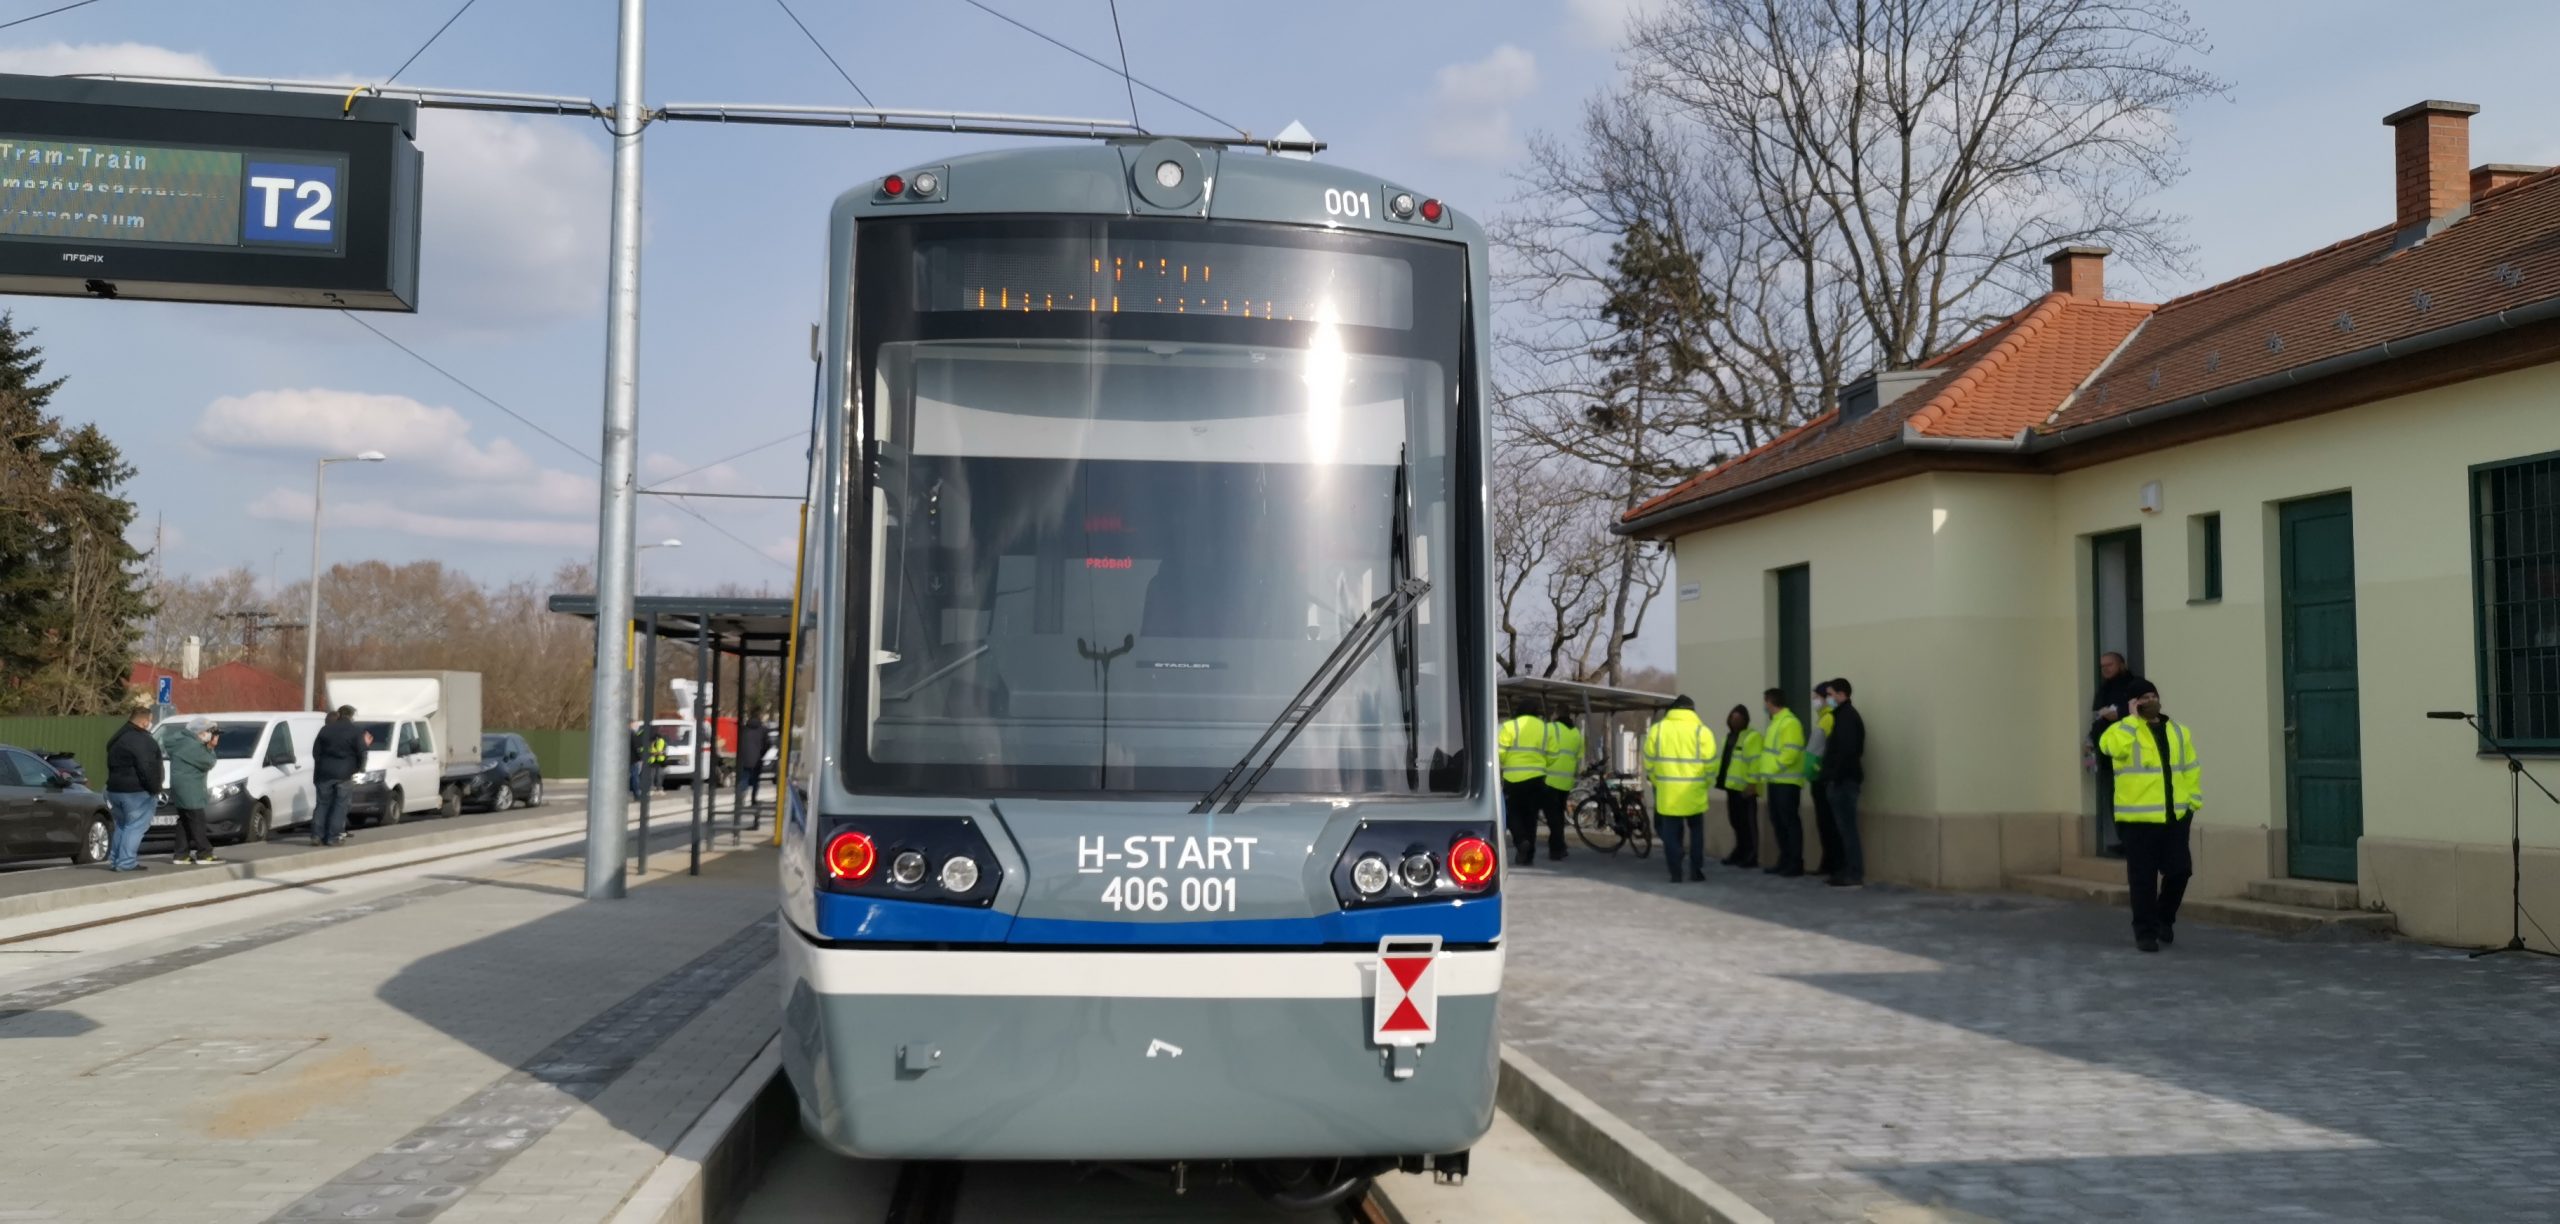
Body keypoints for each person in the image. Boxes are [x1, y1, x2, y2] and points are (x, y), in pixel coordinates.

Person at [2099, 683, 2200, 951]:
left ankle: (2164, 918)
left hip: (2175, 817)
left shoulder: (2178, 731)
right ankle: (2145, 932)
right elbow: (2111, 749)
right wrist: (2131, 720)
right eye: (2144, 698)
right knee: (2143, 878)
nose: (2151, 701)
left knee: (2180, 871)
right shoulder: (2120, 731)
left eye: (2154, 696)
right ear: (2133, 703)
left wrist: (2192, 803)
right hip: (2138, 821)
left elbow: (2190, 768)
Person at [1641, 696, 1715, 882]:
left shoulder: (1658, 730)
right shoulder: (1702, 731)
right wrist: (1705, 784)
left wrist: (1658, 781)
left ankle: (1675, 873)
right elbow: (1711, 764)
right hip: (1694, 792)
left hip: (1668, 793)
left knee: (1671, 835)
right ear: (1692, 710)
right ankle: (1696, 871)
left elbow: (1649, 761)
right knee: (1696, 833)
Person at [2088, 651, 2149, 840]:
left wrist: (2120, 713)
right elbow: (2098, 717)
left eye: (2110, 665)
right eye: (2102, 666)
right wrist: (2090, 739)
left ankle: (2134, 842)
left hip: (2130, 754)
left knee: (2133, 798)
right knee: (2114, 798)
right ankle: (2123, 841)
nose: (2105, 669)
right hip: (2108, 753)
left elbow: (2145, 708)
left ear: (2122, 665)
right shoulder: (2104, 689)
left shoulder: (2134, 685)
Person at [101, 697, 164, 873]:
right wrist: (155, 788)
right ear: (144, 722)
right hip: (136, 791)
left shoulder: (118, 737)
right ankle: (126, 862)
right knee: (136, 827)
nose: (150, 724)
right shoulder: (141, 740)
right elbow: (147, 767)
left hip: (114, 788)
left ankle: (115, 860)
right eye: (150, 721)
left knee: (122, 825)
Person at [157, 715, 223, 865]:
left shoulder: (180, 740)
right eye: (211, 733)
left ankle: (181, 854)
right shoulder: (192, 746)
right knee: (197, 820)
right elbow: (209, 762)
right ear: (202, 732)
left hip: (181, 787)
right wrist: (211, 748)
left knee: (185, 821)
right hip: (191, 789)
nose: (213, 737)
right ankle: (204, 853)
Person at [1497, 704, 1555, 867]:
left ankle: (1521, 840)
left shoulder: (1509, 726)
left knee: (1511, 813)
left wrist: (1506, 763)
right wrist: (1544, 765)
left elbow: (1500, 751)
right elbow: (1554, 753)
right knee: (1531, 817)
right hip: (1537, 777)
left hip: (1513, 778)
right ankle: (1528, 856)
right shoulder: (1545, 728)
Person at [1758, 689, 1808, 877]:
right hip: (1775, 780)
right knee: (1778, 822)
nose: (1764, 706)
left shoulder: (1789, 723)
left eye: (1765, 702)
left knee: (1789, 822)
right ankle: (1785, 860)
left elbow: (1791, 752)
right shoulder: (1776, 723)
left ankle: (1795, 863)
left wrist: (1774, 767)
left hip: (1786, 781)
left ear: (1771, 702)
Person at [1823, 677, 1867, 888]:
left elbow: (1847, 752)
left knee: (1847, 830)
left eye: (1830, 694)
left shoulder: (1847, 717)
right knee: (1843, 830)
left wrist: (1835, 776)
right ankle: (1846, 870)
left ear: (1842, 694)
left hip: (1845, 781)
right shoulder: (1841, 716)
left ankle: (1854, 873)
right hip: (1841, 780)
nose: (1827, 699)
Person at [311, 705, 369, 848]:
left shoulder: (325, 729)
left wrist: (321, 765)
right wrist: (359, 768)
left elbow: (315, 752)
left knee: (322, 804)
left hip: (324, 773)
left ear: (339, 714)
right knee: (340, 806)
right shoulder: (355, 731)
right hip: (344, 773)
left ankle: (316, 835)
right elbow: (362, 752)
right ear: (351, 716)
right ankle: (333, 837)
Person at [1714, 705, 1762, 868]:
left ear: (1745, 720)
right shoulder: (1729, 737)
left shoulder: (1751, 736)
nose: (1735, 721)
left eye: (1738, 718)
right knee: (1736, 822)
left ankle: (1751, 855)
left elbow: (1755, 762)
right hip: (1731, 787)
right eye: (1732, 718)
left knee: (1748, 824)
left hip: (1745, 788)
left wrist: (1752, 783)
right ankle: (1740, 851)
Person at [1540, 705, 1585, 863]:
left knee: (1552, 817)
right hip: (1566, 781)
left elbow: (1542, 750)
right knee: (1558, 815)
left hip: (1550, 778)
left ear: (1556, 714)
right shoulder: (1576, 733)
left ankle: (1557, 848)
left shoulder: (1551, 728)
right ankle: (1560, 846)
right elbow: (1579, 755)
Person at [1806, 682, 1838, 878]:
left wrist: (1820, 770)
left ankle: (1832, 863)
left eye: (1816, 697)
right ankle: (1827, 862)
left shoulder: (1829, 719)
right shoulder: (1822, 719)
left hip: (1823, 778)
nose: (1814, 701)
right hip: (1817, 778)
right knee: (1823, 823)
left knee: (1829, 824)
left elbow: (1827, 750)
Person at [736, 711, 771, 815]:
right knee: (755, 780)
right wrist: (762, 754)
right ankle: (753, 800)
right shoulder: (763, 730)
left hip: (744, 758)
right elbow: (767, 744)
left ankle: (740, 799)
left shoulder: (744, 729)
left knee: (744, 778)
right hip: (756, 759)